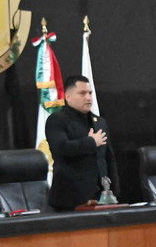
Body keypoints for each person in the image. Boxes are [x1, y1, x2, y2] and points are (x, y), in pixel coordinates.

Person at [46, 75, 119, 211]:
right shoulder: (57, 120)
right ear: (68, 97)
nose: (88, 97)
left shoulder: (100, 122)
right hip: (70, 199)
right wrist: (91, 142)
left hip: (101, 196)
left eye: (90, 93)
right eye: (82, 93)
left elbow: (109, 158)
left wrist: (114, 191)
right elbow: (61, 148)